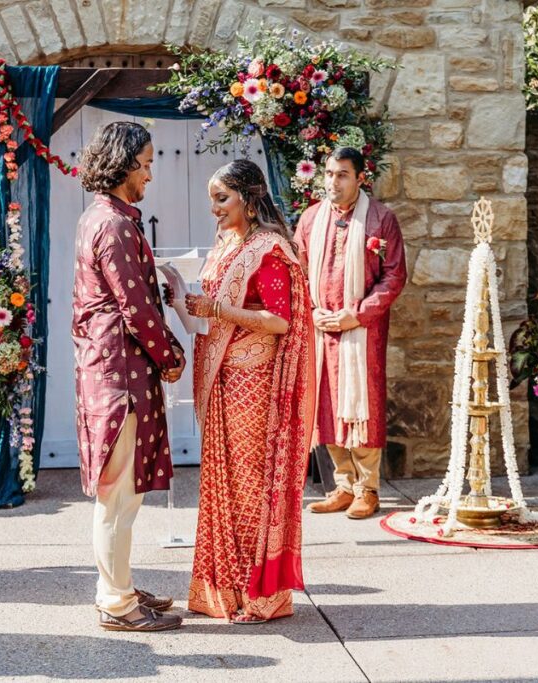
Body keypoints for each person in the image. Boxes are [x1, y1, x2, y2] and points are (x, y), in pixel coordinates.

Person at [178, 159, 314, 623]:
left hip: (253, 383)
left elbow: (279, 321)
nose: (214, 208)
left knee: (250, 485)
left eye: (222, 198)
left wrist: (218, 309)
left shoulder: (270, 249)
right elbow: (212, 313)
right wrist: (184, 300)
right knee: (224, 483)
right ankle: (222, 589)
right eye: (212, 199)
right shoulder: (228, 244)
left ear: (249, 197)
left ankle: (259, 594)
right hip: (223, 379)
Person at [72, 121, 186, 632]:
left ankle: (117, 585)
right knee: (118, 498)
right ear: (122, 165)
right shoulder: (115, 225)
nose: (150, 174)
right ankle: (116, 602)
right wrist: (172, 356)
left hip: (113, 371)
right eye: (145, 164)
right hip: (120, 376)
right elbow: (136, 309)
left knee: (121, 495)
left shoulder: (102, 216)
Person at [295, 147, 407, 520]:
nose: (333, 181)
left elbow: (394, 276)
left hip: (361, 332)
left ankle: (367, 488)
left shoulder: (380, 220)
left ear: (361, 178)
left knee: (363, 407)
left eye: (342, 174)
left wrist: (355, 315)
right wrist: (311, 312)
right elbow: (297, 272)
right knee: (325, 407)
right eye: (328, 174)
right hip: (321, 329)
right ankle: (342, 485)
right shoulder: (311, 219)